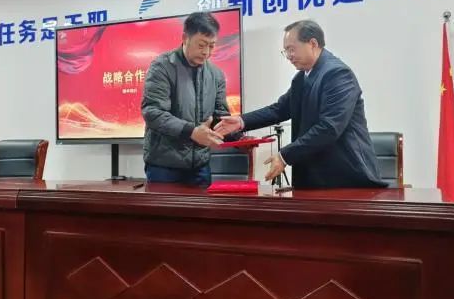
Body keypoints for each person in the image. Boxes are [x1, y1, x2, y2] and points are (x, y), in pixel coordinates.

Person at [215, 20, 386, 189]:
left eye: (292, 49)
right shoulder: (302, 78)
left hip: (346, 177)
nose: (289, 56)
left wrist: (284, 156)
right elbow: (280, 110)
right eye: (286, 51)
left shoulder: (337, 74)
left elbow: (329, 128)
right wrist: (241, 121)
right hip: (315, 177)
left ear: (313, 44)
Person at [141, 11, 233, 186]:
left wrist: (237, 136)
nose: (206, 52)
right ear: (185, 38)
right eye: (201, 45)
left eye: (212, 46)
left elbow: (219, 115)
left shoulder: (216, 74)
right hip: (164, 166)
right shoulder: (162, 67)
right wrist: (192, 132)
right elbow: (153, 112)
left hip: (200, 166)